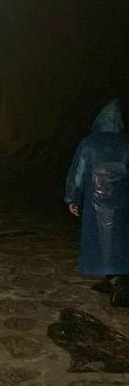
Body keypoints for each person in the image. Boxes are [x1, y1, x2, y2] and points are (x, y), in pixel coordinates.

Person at [65, 97, 129, 307]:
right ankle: (111, 278)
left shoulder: (89, 143)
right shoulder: (125, 143)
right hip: (121, 203)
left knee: (100, 241)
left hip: (95, 203)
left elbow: (78, 173)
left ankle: (118, 282)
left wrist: (73, 198)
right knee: (119, 240)